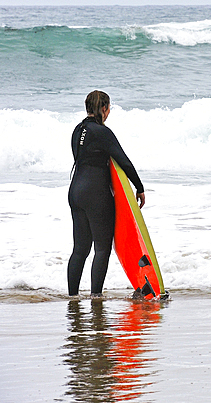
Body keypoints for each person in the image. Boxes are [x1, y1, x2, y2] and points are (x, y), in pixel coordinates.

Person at [68, 90, 145, 297]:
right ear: (103, 109)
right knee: (102, 248)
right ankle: (96, 297)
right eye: (108, 109)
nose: (108, 113)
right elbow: (124, 161)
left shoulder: (77, 130)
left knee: (80, 248)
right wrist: (139, 187)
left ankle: (72, 297)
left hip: (75, 192)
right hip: (96, 193)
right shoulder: (102, 132)